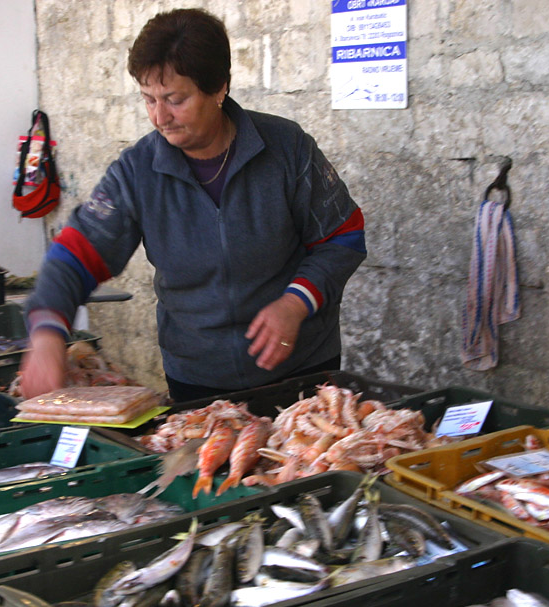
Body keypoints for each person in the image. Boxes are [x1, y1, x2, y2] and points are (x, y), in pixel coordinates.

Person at [21, 8, 365, 402]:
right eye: (148, 99)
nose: (160, 117)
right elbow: (76, 253)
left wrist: (295, 302)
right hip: (199, 382)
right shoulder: (137, 171)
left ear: (219, 89)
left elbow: (343, 236)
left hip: (302, 370)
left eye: (175, 99)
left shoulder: (287, 148)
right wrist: (47, 331)